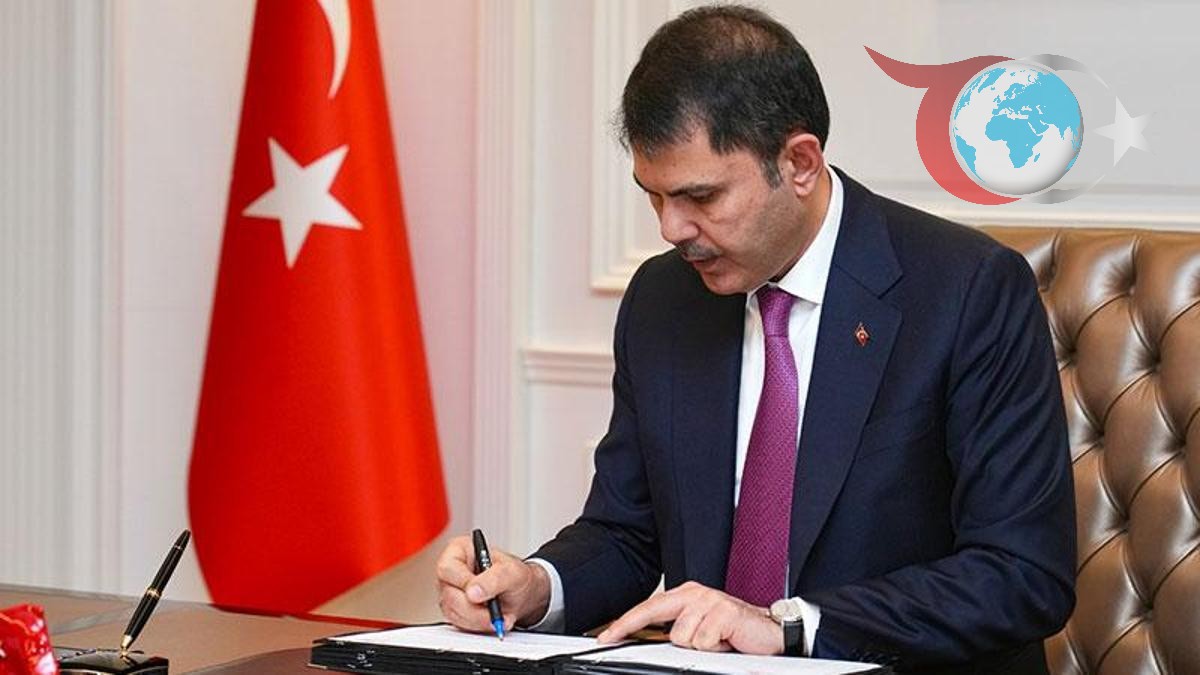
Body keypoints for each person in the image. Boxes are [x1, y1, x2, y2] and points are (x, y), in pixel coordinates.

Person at [436, 5, 1076, 673]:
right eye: (655, 197)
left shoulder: (965, 292)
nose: (672, 230)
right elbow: (627, 532)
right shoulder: (663, 299)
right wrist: (538, 585)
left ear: (799, 163)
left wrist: (789, 626)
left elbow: (1020, 574)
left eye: (701, 197)